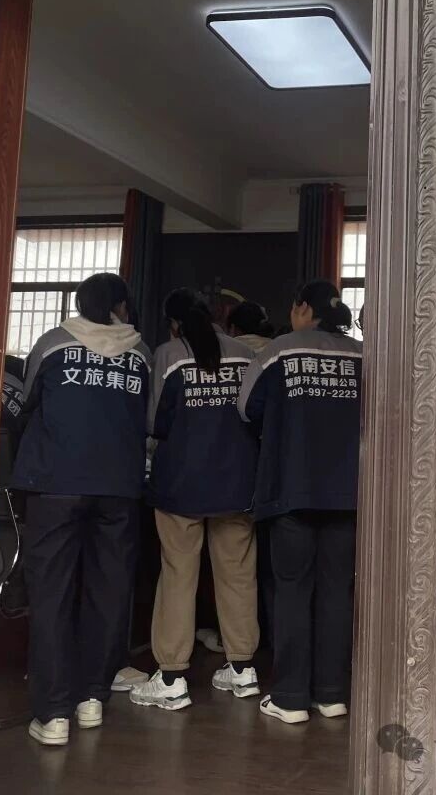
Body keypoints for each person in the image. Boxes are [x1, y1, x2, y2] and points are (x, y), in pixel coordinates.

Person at [10, 273, 151, 746]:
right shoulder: (140, 353)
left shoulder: (53, 344)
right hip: (118, 488)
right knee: (108, 592)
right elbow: (149, 418)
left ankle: (53, 713)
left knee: (52, 594)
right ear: (120, 307)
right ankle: (92, 697)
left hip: (55, 484)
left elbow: (26, 400)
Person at [130, 289, 262, 710]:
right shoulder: (245, 354)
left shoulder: (168, 355)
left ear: (174, 324)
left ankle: (171, 677)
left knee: (178, 576)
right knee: (239, 575)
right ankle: (242, 668)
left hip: (180, 485)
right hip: (237, 484)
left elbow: (154, 422)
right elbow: (254, 415)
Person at [238, 280, 362, 724]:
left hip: (290, 489)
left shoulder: (279, 351)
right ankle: (332, 694)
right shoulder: (363, 356)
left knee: (291, 591)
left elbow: (246, 408)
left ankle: (290, 698)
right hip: (348, 494)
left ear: (303, 308)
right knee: (336, 592)